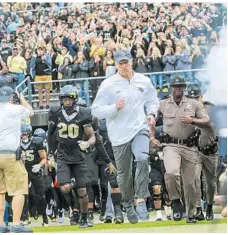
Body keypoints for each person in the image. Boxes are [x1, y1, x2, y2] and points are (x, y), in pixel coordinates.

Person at [91, 49, 160, 224]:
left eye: (126, 62)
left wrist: (152, 113)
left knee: (143, 158)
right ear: (115, 64)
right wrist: (114, 107)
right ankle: (127, 204)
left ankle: (141, 198)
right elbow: (96, 110)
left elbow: (153, 100)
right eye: (120, 63)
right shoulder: (108, 84)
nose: (123, 66)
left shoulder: (143, 80)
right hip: (119, 134)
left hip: (139, 128)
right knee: (123, 174)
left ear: (131, 62)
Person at [151, 75, 210, 223]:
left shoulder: (193, 103)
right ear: (171, 88)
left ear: (184, 87)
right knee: (171, 172)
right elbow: (151, 121)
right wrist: (152, 137)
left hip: (190, 146)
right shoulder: (163, 103)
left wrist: (193, 120)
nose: (178, 89)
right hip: (170, 145)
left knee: (190, 183)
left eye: (181, 86)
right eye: (175, 86)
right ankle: (176, 202)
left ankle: (190, 214)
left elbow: (207, 120)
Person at [0, 86, 34, 233]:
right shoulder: (15, 109)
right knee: (19, 189)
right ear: (13, 97)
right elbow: (30, 112)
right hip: (8, 153)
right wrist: (23, 98)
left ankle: (1, 225)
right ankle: (16, 223)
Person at [47, 85, 96, 228]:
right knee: (65, 187)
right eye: (65, 99)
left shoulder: (84, 113)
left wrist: (88, 143)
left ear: (75, 100)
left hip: (79, 156)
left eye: (70, 99)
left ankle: (84, 217)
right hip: (62, 155)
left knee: (82, 190)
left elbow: (92, 136)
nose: (67, 102)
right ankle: (74, 188)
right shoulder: (55, 112)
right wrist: (50, 153)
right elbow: (50, 134)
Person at [186, 84, 218, 221]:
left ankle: (209, 205)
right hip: (194, 150)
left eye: (196, 97)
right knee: (194, 179)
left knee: (210, 183)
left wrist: (192, 121)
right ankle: (198, 209)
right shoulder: (186, 109)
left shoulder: (209, 108)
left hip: (210, 151)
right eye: (191, 97)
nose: (194, 99)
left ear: (201, 97)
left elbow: (209, 123)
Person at [20, 124, 47, 226]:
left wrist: (39, 165)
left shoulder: (37, 142)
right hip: (22, 171)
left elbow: (44, 158)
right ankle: (25, 217)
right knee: (23, 195)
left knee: (40, 194)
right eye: (22, 134)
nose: (24, 136)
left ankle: (45, 218)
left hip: (34, 170)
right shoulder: (17, 144)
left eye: (26, 134)